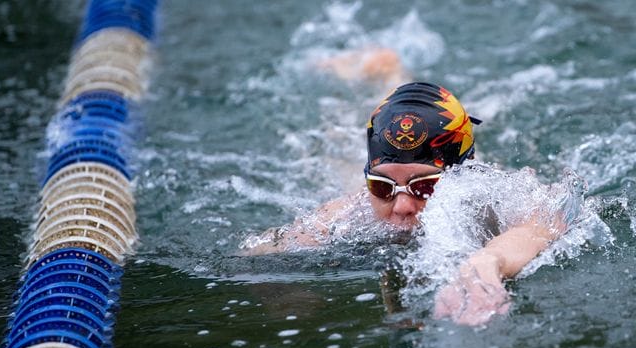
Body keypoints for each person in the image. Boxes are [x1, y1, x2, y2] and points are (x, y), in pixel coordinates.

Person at [240, 82, 564, 326]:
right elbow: (261, 251)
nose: (401, 206)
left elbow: (548, 218)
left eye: (425, 186)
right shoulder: (349, 211)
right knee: (334, 156)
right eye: (381, 186)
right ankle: (379, 73)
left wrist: (488, 260)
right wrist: (279, 287)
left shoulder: (495, 195)